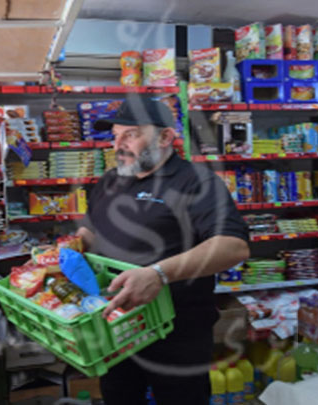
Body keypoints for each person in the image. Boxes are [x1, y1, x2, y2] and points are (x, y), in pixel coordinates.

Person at [76, 96, 250, 405]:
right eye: (115, 135)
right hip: (115, 326)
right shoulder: (110, 180)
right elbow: (91, 230)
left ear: (165, 137)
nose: (118, 144)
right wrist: (69, 249)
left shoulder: (196, 182)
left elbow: (233, 246)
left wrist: (159, 274)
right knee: (118, 397)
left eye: (131, 134)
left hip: (177, 335)